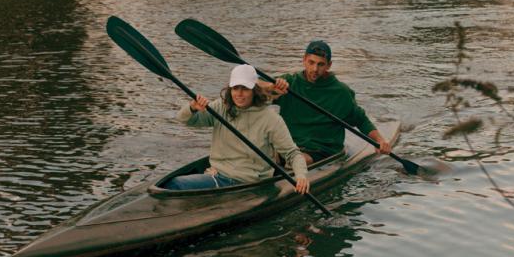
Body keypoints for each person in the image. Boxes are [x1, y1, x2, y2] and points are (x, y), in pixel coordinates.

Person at [166, 64, 309, 193]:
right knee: (170, 183)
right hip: (217, 175)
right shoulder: (221, 107)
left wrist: (301, 176)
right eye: (235, 88)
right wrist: (192, 108)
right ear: (230, 89)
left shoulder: (271, 119)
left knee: (176, 184)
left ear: (255, 90)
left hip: (249, 183)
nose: (239, 94)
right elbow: (185, 120)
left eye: (245, 88)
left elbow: (292, 153)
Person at [262, 40, 392, 165]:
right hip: (289, 145)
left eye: (320, 64)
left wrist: (380, 140)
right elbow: (254, 90)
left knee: (296, 161)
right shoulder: (288, 83)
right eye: (311, 62)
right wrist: (269, 87)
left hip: (321, 150)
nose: (315, 69)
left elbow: (361, 120)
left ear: (328, 65)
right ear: (304, 60)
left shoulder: (341, 92)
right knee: (263, 157)